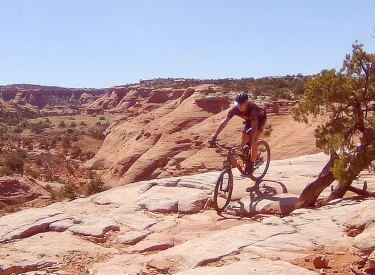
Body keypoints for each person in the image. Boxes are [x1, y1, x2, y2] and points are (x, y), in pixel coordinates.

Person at [210, 92, 267, 175]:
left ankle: (251, 163)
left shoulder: (253, 110)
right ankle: (246, 159)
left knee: (254, 141)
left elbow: (254, 128)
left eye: (241, 104)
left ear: (246, 103)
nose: (239, 106)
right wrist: (214, 136)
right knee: (243, 142)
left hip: (260, 120)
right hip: (249, 120)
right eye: (237, 104)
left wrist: (250, 142)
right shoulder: (235, 109)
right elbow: (224, 122)